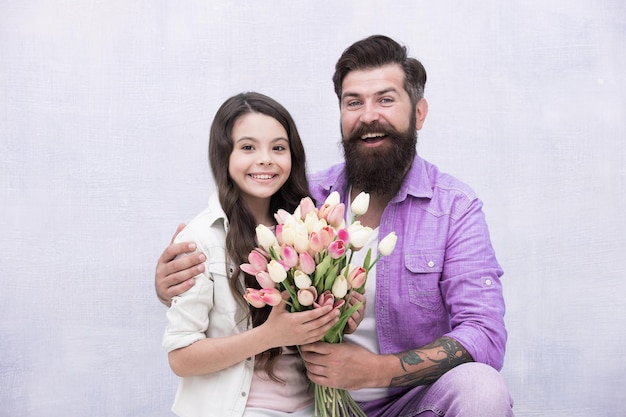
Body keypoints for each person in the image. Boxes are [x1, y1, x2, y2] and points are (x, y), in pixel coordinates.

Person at [156, 36, 514, 416]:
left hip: (414, 404)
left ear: (419, 113)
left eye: (386, 100)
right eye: (353, 102)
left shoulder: (454, 209)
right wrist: (173, 282)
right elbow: (231, 260)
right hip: (314, 406)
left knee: (481, 387)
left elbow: (485, 334)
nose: (368, 115)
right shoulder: (299, 198)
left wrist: (378, 371)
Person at [161, 92, 364, 417]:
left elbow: (311, 331)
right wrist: (269, 336)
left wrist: (338, 318)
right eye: (248, 147)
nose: (266, 158)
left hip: (315, 407)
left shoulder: (309, 228)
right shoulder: (202, 239)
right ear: (223, 155)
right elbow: (181, 358)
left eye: (278, 148)